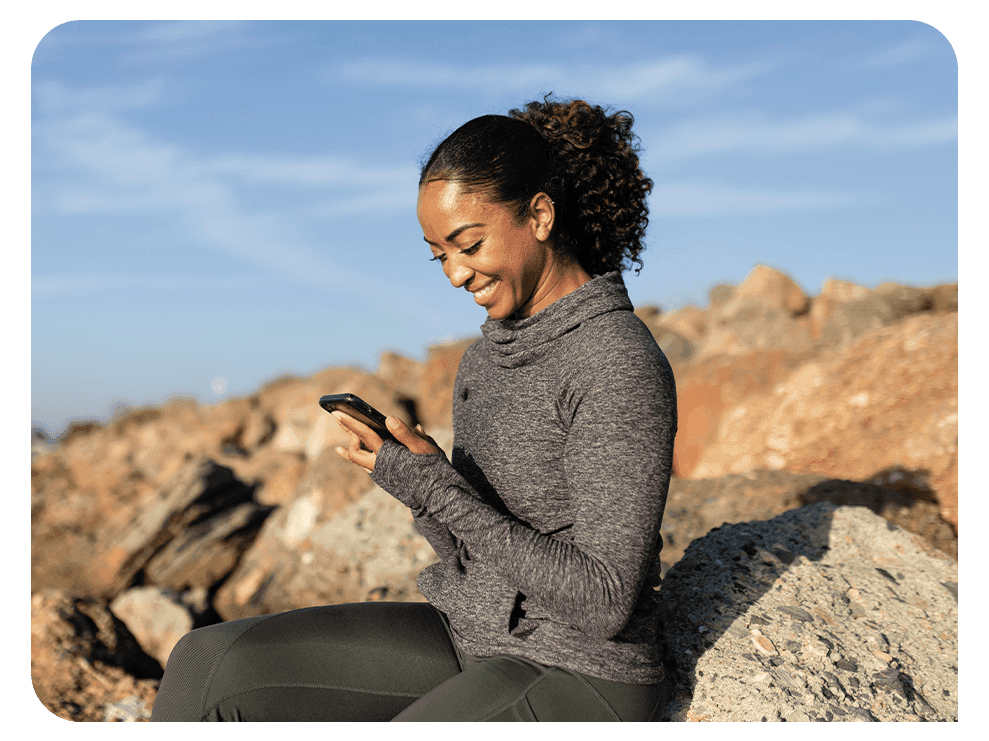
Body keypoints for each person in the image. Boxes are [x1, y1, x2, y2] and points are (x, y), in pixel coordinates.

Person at [150, 96, 677, 722]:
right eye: (439, 255)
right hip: (472, 639)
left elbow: (603, 600)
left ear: (539, 215)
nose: (455, 275)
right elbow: (471, 552)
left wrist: (439, 492)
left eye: (469, 245)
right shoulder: (485, 361)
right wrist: (419, 485)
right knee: (207, 663)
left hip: (581, 672)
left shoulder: (614, 360)